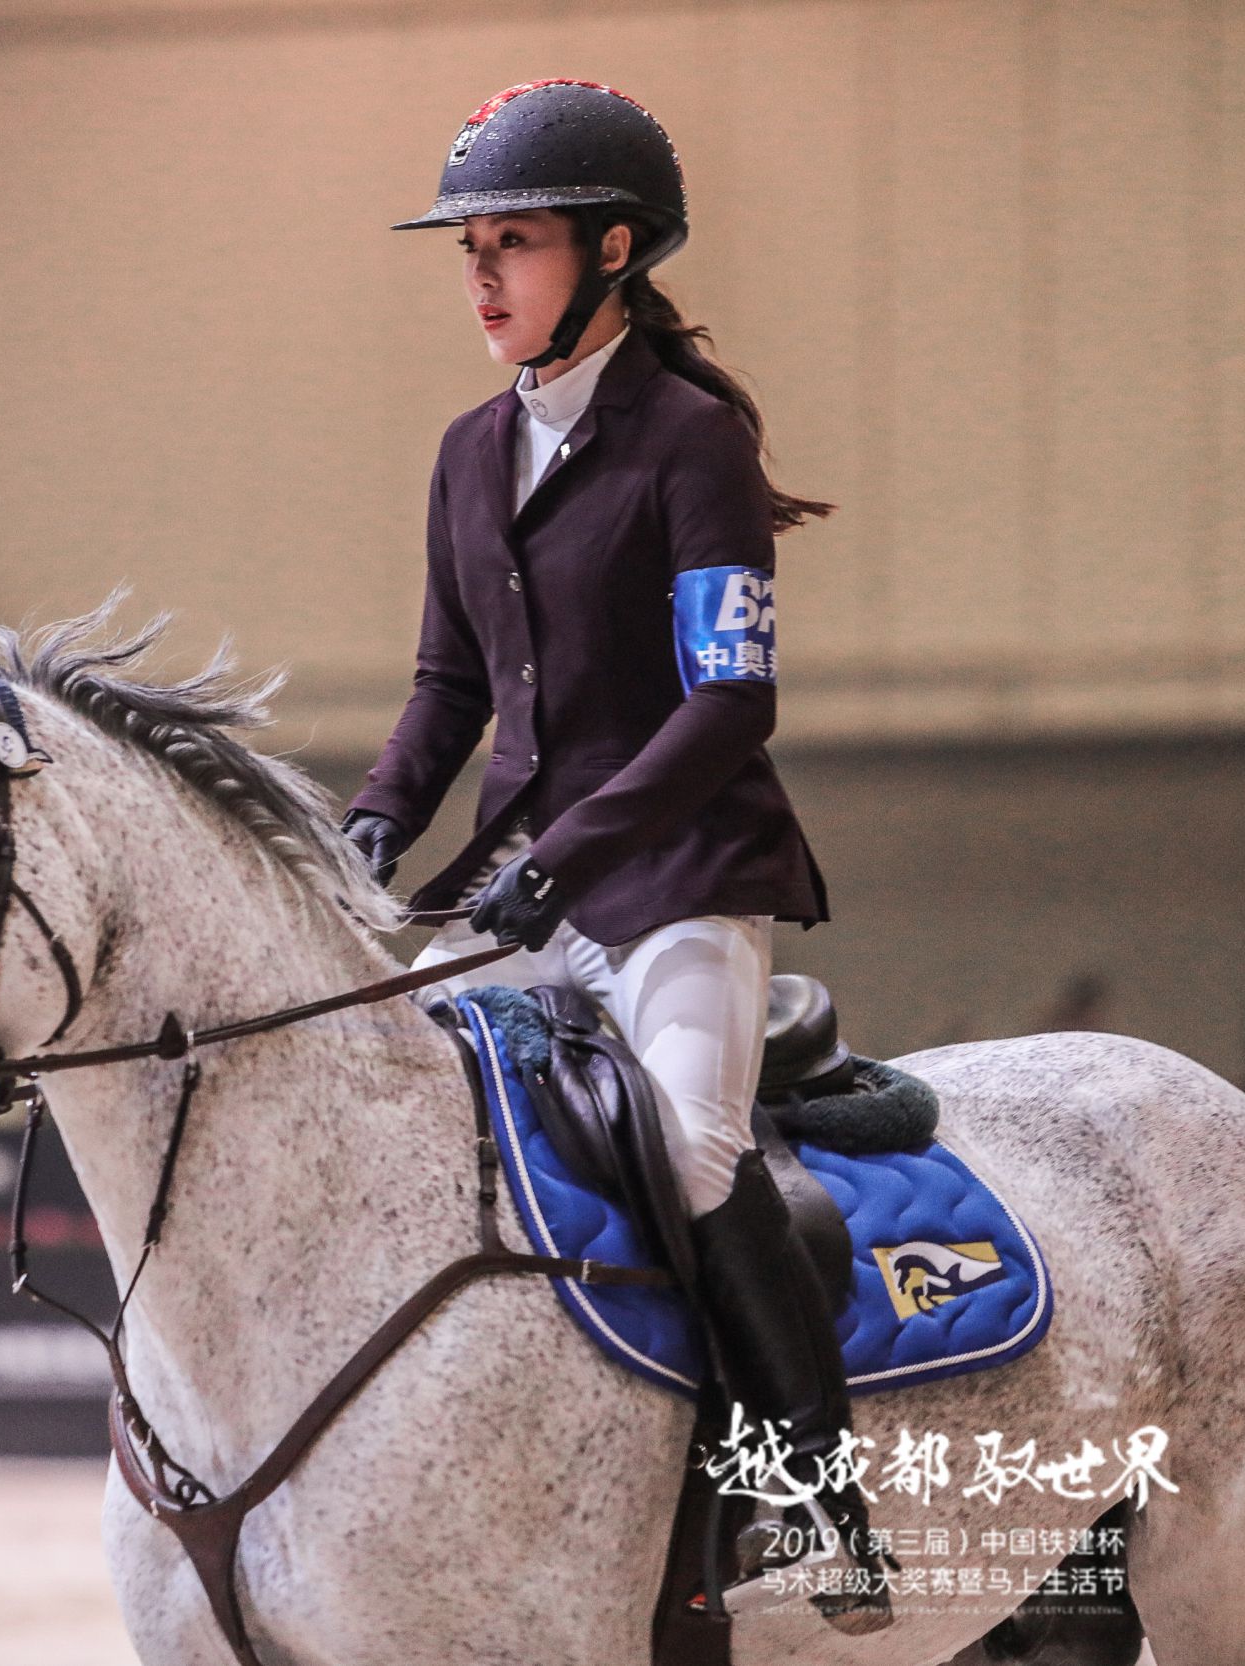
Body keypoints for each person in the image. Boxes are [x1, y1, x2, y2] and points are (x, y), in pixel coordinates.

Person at [338, 79, 887, 1632]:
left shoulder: (689, 441)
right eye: (470, 249)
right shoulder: (467, 450)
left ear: (614, 249)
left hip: (675, 875)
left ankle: (810, 1488)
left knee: (694, 1147)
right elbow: (449, 686)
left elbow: (732, 703)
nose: (482, 276)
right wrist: (377, 820)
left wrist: (567, 853)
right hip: (524, 870)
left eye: (512, 243)